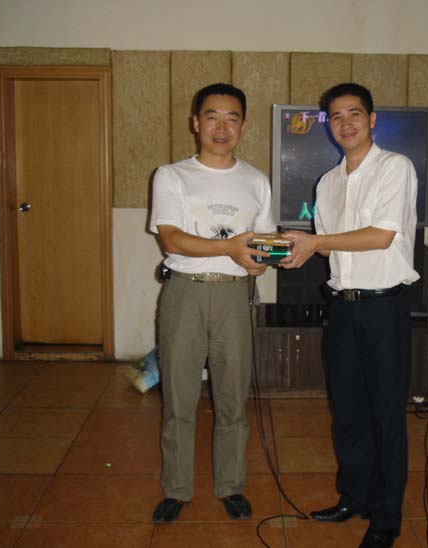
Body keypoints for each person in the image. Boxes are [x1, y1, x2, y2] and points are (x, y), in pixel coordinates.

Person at [281, 83, 419, 548]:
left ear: (372, 119)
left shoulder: (395, 167)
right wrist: (293, 250)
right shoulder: (327, 183)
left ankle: (386, 518)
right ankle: (353, 498)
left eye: (354, 114)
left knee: (386, 416)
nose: (345, 123)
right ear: (329, 125)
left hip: (384, 309)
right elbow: (326, 250)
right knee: (348, 413)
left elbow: (381, 236)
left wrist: (315, 242)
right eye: (336, 117)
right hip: (343, 309)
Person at [149, 83, 275, 523]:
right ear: (195, 122)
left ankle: (230, 486)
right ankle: (177, 489)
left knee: (232, 397)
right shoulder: (171, 175)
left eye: (232, 118)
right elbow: (171, 238)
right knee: (179, 397)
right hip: (184, 292)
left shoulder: (257, 181)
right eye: (212, 116)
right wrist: (232, 248)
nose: (222, 127)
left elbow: (261, 244)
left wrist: (261, 260)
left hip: (234, 296)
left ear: (243, 125)